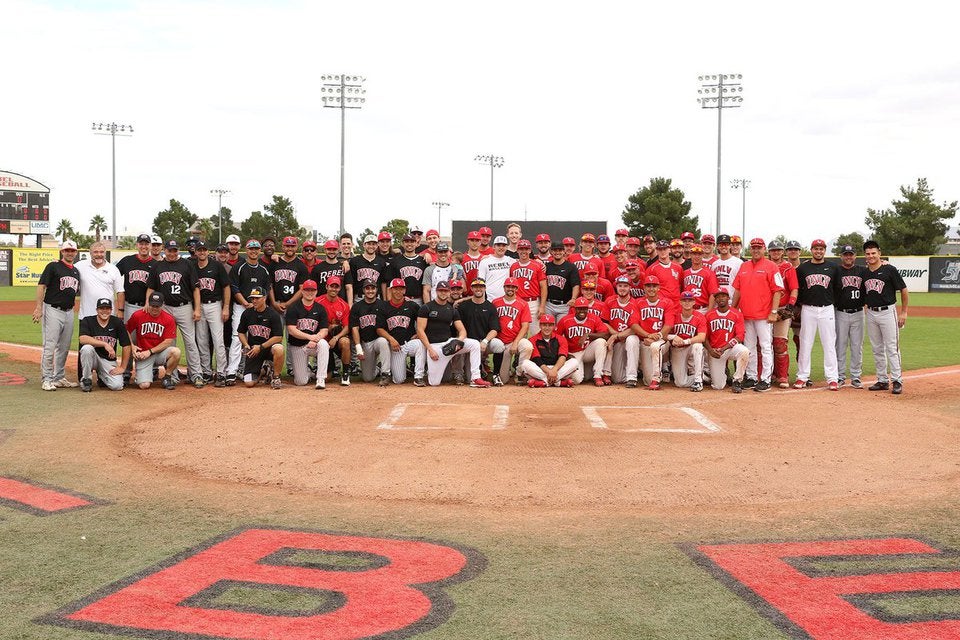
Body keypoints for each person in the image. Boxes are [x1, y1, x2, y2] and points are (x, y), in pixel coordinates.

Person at [145, 239, 203, 387]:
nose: (172, 253)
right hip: (165, 308)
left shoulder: (187, 264)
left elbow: (196, 289)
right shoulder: (157, 266)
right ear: (165, 250)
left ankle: (196, 374)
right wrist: (147, 303)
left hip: (184, 307)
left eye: (175, 250)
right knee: (169, 343)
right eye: (169, 250)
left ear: (178, 250)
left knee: (190, 342)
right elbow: (151, 287)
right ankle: (172, 375)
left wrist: (197, 309)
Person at [731, 238, 784, 393]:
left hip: (764, 315)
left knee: (766, 347)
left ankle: (766, 379)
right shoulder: (744, 266)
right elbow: (738, 290)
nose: (756, 250)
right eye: (753, 247)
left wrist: (774, 312)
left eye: (759, 247)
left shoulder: (771, 266)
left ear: (764, 249)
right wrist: (733, 309)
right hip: (746, 315)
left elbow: (777, 291)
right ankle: (752, 377)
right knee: (749, 347)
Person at [416, 280, 490, 387]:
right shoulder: (426, 307)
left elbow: (462, 330)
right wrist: (430, 349)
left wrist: (458, 341)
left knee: (474, 344)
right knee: (434, 383)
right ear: (436, 291)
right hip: (434, 347)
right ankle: (429, 370)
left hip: (449, 343)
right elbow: (420, 330)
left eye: (445, 291)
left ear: (449, 292)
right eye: (441, 290)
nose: (443, 293)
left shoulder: (451, 310)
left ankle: (476, 378)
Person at [33, 240, 81, 390]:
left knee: (64, 347)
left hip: (69, 312)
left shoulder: (76, 271)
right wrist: (38, 308)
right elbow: (41, 286)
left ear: (76, 252)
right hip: (52, 309)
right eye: (67, 250)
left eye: (72, 251)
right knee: (50, 345)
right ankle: (47, 379)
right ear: (62, 252)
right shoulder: (53, 266)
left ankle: (59, 377)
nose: (70, 253)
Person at [794, 239, 841, 390]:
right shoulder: (803, 268)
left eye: (821, 249)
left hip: (827, 308)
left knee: (829, 343)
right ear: (811, 250)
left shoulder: (833, 267)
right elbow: (798, 288)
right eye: (816, 248)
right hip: (808, 308)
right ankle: (802, 376)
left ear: (824, 251)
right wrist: (799, 305)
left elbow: (838, 288)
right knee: (805, 343)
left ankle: (832, 378)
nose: (818, 251)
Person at [862, 239, 908, 395]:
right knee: (877, 348)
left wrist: (904, 312)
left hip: (888, 312)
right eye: (868, 253)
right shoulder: (864, 272)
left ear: (879, 253)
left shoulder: (889, 269)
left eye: (873, 253)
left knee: (892, 348)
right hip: (871, 313)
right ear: (865, 255)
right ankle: (882, 380)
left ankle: (897, 380)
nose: (871, 256)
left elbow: (903, 289)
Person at [226, 239, 272, 385]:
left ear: (259, 251)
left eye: (256, 249)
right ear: (246, 250)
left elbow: (267, 290)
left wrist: (259, 304)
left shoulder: (264, 269)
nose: (253, 251)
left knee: (259, 336)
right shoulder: (239, 267)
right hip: (241, 306)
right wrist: (245, 303)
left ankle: (258, 369)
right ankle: (232, 371)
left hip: (259, 307)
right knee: (237, 337)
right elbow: (234, 288)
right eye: (251, 249)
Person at [116, 233, 158, 383]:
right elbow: (113, 274)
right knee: (128, 338)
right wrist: (120, 308)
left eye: (146, 243)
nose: (144, 246)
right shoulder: (127, 261)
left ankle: (151, 368)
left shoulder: (155, 264)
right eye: (141, 243)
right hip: (130, 305)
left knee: (149, 336)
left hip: (149, 307)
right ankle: (127, 370)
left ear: (150, 246)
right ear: (137, 245)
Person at [192, 240, 231, 387]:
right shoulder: (192, 267)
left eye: (204, 250)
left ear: (208, 252)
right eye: (199, 250)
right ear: (195, 252)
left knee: (218, 340)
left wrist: (225, 307)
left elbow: (226, 287)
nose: (202, 252)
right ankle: (206, 371)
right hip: (199, 306)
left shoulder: (217, 266)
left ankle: (221, 372)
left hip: (214, 305)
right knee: (202, 341)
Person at [126, 291, 181, 390]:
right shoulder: (138, 315)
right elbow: (126, 330)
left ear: (162, 305)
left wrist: (150, 351)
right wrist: (132, 346)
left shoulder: (168, 318)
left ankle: (167, 377)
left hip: (159, 354)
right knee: (144, 385)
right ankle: (145, 374)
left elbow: (168, 341)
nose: (154, 308)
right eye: (152, 305)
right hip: (143, 356)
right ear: (148, 303)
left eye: (157, 306)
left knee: (176, 352)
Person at [378, 278, 426, 386]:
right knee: (399, 380)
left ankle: (418, 377)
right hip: (395, 347)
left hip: (409, 343)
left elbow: (423, 321)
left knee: (420, 343)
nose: (398, 291)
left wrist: (419, 333)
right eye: (396, 289)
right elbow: (379, 329)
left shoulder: (412, 305)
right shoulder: (384, 307)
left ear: (404, 290)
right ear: (390, 290)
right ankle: (401, 369)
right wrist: (391, 339)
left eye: (401, 289)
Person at [453, 278, 500, 385]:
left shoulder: (490, 307)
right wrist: (462, 339)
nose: (478, 289)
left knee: (499, 345)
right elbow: (459, 327)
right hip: (469, 341)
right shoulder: (463, 306)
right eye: (475, 287)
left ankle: (488, 370)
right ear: (471, 288)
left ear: (485, 288)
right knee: (457, 342)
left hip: (483, 342)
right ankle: (458, 373)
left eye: (481, 287)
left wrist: (485, 341)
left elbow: (494, 329)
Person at [285, 279, 330, 388]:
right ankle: (309, 373)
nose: (310, 292)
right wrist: (310, 337)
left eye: (312, 290)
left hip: (314, 345)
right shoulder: (293, 307)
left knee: (323, 344)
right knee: (301, 382)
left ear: (316, 291)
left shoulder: (320, 309)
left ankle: (320, 379)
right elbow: (291, 330)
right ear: (302, 291)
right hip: (297, 346)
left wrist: (315, 339)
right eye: (307, 290)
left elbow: (324, 330)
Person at [236, 286, 284, 389]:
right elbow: (241, 332)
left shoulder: (273, 314)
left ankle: (276, 377)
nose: (254, 300)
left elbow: (278, 337)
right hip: (254, 351)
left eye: (257, 298)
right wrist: (246, 345)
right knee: (249, 383)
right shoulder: (247, 313)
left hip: (269, 348)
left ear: (264, 298)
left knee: (279, 348)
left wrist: (261, 347)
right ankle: (264, 371)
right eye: (252, 298)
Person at [78, 297, 130, 392]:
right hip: (93, 358)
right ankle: (86, 379)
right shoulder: (88, 320)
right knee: (86, 348)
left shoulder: (117, 322)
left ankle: (102, 377)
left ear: (111, 310)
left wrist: (123, 367)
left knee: (117, 386)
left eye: (107, 308)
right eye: (102, 308)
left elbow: (126, 345)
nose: (104, 311)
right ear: (97, 310)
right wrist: (105, 344)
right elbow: (82, 339)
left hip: (108, 361)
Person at [767, 239, 799, 388]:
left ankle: (782, 375)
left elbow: (794, 288)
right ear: (769, 252)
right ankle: (768, 374)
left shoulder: (788, 267)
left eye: (778, 250)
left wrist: (790, 306)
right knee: (764, 344)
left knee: (779, 343)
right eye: (773, 250)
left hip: (782, 307)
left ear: (782, 252)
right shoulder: (765, 265)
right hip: (765, 309)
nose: (776, 252)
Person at [835, 244, 868, 388]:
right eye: (845, 254)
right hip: (840, 312)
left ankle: (856, 376)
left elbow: (877, 270)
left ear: (855, 256)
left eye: (851, 254)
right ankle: (839, 376)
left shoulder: (863, 270)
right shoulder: (835, 270)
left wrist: (884, 262)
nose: (848, 257)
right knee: (840, 345)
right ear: (841, 256)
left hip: (858, 313)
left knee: (856, 346)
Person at [489, 278, 533, 386]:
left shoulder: (523, 304)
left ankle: (519, 373)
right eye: (508, 286)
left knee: (527, 347)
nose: (510, 289)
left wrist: (516, 343)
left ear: (517, 289)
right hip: (500, 344)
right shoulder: (495, 302)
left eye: (513, 287)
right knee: (503, 379)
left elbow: (525, 326)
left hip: (515, 341)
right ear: (504, 288)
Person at [557, 297, 609, 386]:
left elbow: (606, 335)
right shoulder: (565, 320)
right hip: (573, 353)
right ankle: (560, 380)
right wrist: (565, 353)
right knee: (577, 380)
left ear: (587, 309)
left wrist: (588, 334)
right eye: (579, 308)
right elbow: (556, 338)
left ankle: (597, 375)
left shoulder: (594, 318)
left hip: (587, 351)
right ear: (575, 309)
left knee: (601, 342)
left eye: (584, 308)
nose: (582, 311)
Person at [705, 290, 750, 392]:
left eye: (723, 296)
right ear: (715, 300)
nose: (720, 298)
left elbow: (740, 336)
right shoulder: (709, 315)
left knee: (744, 351)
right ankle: (723, 373)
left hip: (730, 348)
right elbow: (704, 337)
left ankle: (737, 380)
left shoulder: (736, 314)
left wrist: (724, 348)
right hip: (715, 352)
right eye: (718, 297)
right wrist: (710, 350)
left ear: (728, 298)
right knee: (718, 386)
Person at [519, 314, 580, 387]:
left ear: (554, 326)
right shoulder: (533, 339)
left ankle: (544, 382)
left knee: (574, 362)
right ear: (540, 326)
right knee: (525, 363)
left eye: (550, 325)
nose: (547, 328)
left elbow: (562, 357)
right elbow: (537, 359)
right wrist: (549, 372)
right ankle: (558, 383)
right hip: (541, 369)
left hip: (557, 369)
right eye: (544, 325)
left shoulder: (561, 339)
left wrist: (554, 370)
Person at [602, 276, 642, 387]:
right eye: (620, 286)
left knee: (631, 340)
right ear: (616, 287)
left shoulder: (636, 303)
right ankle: (631, 370)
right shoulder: (610, 301)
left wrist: (616, 336)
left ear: (630, 288)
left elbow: (635, 328)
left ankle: (632, 377)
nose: (622, 288)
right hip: (618, 341)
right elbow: (604, 322)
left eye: (625, 286)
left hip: (630, 337)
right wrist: (616, 335)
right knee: (617, 379)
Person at [350, 279, 392, 385]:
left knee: (382, 341)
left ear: (376, 290)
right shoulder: (357, 307)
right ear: (363, 290)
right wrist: (358, 347)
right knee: (367, 378)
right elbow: (355, 328)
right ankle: (378, 368)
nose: (370, 291)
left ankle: (385, 373)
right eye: (367, 288)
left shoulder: (383, 305)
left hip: (379, 340)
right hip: (366, 342)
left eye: (373, 288)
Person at [635, 275, 673, 390]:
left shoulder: (667, 302)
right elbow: (633, 324)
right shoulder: (638, 302)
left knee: (655, 346)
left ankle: (656, 379)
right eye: (648, 286)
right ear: (644, 288)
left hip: (661, 340)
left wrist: (658, 336)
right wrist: (647, 335)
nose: (651, 289)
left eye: (654, 286)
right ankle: (649, 374)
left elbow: (669, 324)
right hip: (645, 340)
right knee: (647, 380)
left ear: (658, 288)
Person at [316, 276, 353, 386]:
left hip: (336, 339)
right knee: (327, 378)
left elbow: (347, 327)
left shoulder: (344, 305)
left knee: (345, 342)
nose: (334, 289)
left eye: (336, 287)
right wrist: (327, 328)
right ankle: (319, 371)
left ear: (340, 288)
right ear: (326, 286)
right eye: (331, 286)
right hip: (322, 340)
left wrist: (336, 337)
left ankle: (345, 373)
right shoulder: (318, 302)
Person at [76, 241, 124, 321]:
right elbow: (66, 269)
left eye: (101, 252)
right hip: (86, 316)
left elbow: (120, 291)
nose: (99, 254)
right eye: (95, 252)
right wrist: (56, 263)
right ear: (90, 253)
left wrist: (120, 310)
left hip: (107, 315)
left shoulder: (113, 269)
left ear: (105, 253)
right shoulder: (80, 265)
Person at [668, 291, 707, 391]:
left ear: (694, 302)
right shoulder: (674, 314)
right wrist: (673, 337)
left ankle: (698, 380)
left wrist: (685, 341)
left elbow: (701, 337)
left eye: (690, 300)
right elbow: (664, 333)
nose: (687, 302)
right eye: (684, 300)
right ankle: (704, 377)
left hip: (690, 346)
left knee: (698, 346)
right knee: (680, 383)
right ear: (680, 302)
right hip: (677, 349)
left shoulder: (699, 316)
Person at [509, 239, 547, 335]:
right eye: (521, 249)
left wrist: (542, 306)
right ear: (517, 250)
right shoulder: (513, 266)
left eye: (526, 249)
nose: (524, 251)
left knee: (536, 333)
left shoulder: (537, 265)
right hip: (518, 301)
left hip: (533, 302)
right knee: (517, 332)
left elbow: (543, 286)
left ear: (530, 250)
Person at [389, 233, 429, 304]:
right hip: (401, 299)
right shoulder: (396, 261)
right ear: (402, 244)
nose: (409, 244)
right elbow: (390, 284)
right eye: (407, 241)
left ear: (416, 243)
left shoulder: (423, 261)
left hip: (419, 299)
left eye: (412, 241)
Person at [544, 241, 580, 318]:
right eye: (555, 250)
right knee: (548, 325)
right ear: (551, 251)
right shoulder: (546, 266)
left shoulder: (571, 267)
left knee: (562, 325)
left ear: (564, 251)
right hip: (549, 305)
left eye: (560, 250)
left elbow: (576, 285)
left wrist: (573, 298)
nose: (557, 252)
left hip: (564, 305)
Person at [349, 235, 389, 301]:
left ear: (377, 245)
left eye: (373, 244)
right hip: (359, 298)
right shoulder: (355, 261)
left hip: (376, 298)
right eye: (369, 244)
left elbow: (383, 283)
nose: (371, 246)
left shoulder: (381, 262)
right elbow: (350, 283)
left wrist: (384, 300)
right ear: (364, 245)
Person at [477, 236, 516, 300]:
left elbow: (523, 263)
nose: (501, 248)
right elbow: (480, 282)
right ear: (494, 247)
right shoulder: (485, 261)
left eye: (503, 245)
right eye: (498, 245)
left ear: (507, 247)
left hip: (506, 300)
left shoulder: (511, 261)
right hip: (489, 299)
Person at [682, 244, 719, 312]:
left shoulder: (709, 273)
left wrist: (709, 311)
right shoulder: (685, 273)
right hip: (687, 308)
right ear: (690, 255)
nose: (697, 256)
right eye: (694, 254)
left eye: (699, 254)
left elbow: (713, 294)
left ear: (702, 255)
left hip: (703, 309)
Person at [646, 240, 683, 305]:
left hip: (677, 304)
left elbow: (681, 285)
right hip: (661, 304)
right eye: (660, 249)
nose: (662, 252)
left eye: (665, 249)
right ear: (656, 251)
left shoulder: (678, 267)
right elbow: (647, 289)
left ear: (669, 249)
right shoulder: (651, 269)